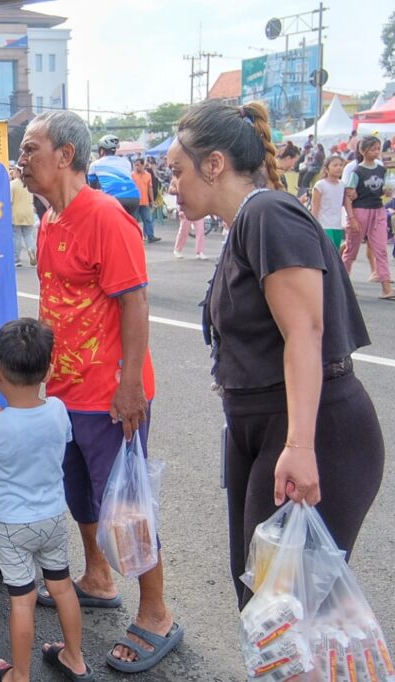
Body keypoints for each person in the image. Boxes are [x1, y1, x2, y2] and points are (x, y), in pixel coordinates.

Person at [166, 100, 384, 609]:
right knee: (264, 605)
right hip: (263, 429)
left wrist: (300, 446)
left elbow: (305, 331)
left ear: (214, 164)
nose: (170, 185)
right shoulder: (248, 221)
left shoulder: (267, 213)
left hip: (317, 431)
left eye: (177, 171)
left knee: (285, 613)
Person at [17, 110, 182, 673]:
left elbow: (135, 302)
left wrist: (130, 385)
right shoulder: (48, 219)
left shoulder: (107, 217)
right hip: (63, 394)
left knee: (126, 506)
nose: (21, 159)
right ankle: (98, 577)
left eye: (31, 148)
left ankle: (156, 612)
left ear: (65, 155)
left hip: (111, 395)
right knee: (81, 494)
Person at [0, 318, 92, 682]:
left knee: (23, 599)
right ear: (50, 370)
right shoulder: (58, 409)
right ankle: (74, 658)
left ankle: (19, 675)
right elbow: (58, 447)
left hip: (12, 525)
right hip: (53, 517)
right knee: (62, 587)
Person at [342, 135, 394, 299]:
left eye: (378, 149)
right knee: (351, 251)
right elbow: (348, 196)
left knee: (381, 250)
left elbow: (382, 191)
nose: (376, 152)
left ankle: (386, 288)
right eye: (373, 149)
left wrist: (386, 192)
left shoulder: (382, 170)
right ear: (363, 151)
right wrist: (351, 218)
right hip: (360, 211)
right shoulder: (357, 172)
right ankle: (343, 286)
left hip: (378, 210)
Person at [88, 134, 140, 218]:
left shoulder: (95, 164)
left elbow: (92, 188)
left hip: (114, 199)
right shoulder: (126, 162)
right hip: (134, 197)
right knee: (130, 222)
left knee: (107, 221)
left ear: (101, 151)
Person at [311, 154, 348, 253]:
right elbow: (315, 206)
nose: (339, 168)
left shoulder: (342, 185)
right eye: (335, 165)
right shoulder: (320, 185)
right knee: (328, 251)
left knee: (336, 251)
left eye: (341, 165)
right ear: (326, 169)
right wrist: (314, 224)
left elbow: (345, 203)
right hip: (323, 224)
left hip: (337, 225)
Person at [9, 165, 37, 266]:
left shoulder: (12, 184)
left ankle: (16, 259)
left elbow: (10, 200)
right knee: (28, 235)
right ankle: (31, 250)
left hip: (16, 213)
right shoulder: (30, 183)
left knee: (16, 236)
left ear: (17, 172)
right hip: (29, 212)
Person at [132, 158, 159, 243]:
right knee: (134, 221)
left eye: (138, 165)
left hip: (145, 201)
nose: (136, 167)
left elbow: (150, 188)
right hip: (135, 202)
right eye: (135, 165)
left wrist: (152, 201)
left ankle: (150, 236)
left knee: (148, 219)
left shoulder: (148, 175)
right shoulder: (132, 175)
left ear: (143, 165)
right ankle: (135, 238)